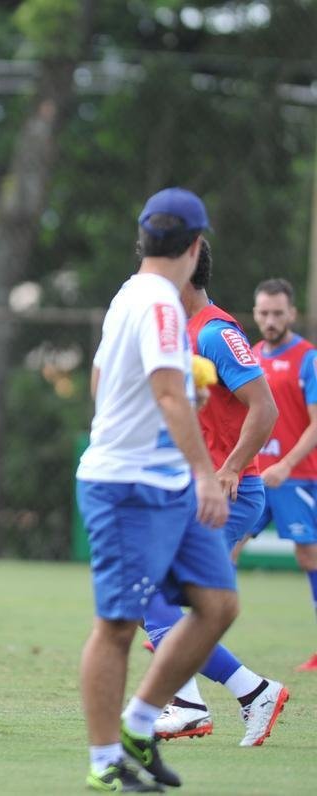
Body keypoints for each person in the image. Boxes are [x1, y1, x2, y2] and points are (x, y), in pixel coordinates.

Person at [76, 188, 239, 792]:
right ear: (196, 247)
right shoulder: (163, 306)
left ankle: (139, 725)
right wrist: (205, 474)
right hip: (127, 485)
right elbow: (170, 395)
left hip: (163, 479)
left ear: (144, 239)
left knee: (217, 604)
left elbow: (101, 381)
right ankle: (104, 761)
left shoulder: (130, 293)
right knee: (117, 625)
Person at [143, 240, 287, 746]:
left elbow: (265, 408)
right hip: (195, 491)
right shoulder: (178, 332)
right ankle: (253, 693)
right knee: (157, 599)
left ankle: (192, 704)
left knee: (150, 592)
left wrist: (231, 467)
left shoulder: (216, 333)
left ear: (183, 271)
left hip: (231, 493)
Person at [250, 277, 317, 672]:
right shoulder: (250, 356)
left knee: (308, 554)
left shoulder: (309, 359)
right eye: (264, 313)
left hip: (297, 477)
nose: (271, 320)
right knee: (223, 543)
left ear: (292, 313)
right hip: (255, 477)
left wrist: (287, 464)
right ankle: (187, 638)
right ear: (255, 314)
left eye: (278, 313)